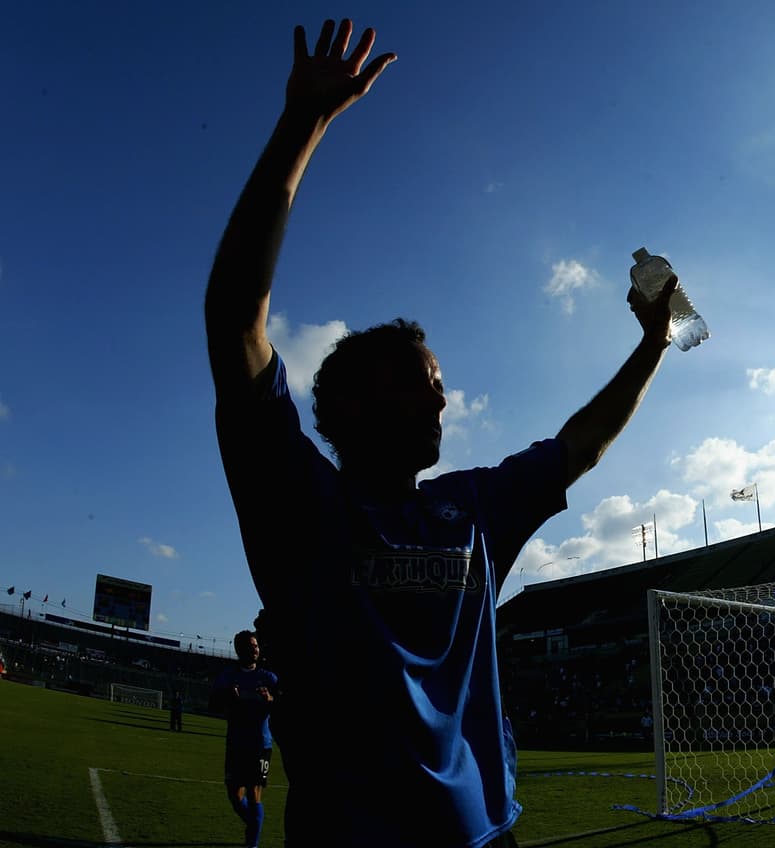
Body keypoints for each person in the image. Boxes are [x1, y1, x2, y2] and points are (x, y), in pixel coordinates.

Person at [204, 18, 676, 848]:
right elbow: (235, 317)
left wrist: (651, 347)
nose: (440, 405)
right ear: (346, 404)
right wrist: (303, 124)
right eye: (419, 387)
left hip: (491, 838)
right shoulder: (300, 503)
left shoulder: (475, 509)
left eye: (440, 390)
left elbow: (581, 442)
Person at [210, 631, 278, 848]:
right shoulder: (228, 676)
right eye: (250, 646)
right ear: (239, 650)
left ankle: (252, 844)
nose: (255, 649)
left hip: (260, 744)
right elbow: (213, 704)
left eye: (256, 645)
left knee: (254, 793)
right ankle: (254, 825)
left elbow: (284, 707)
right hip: (236, 742)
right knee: (235, 795)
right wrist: (227, 698)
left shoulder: (269, 678)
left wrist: (270, 700)